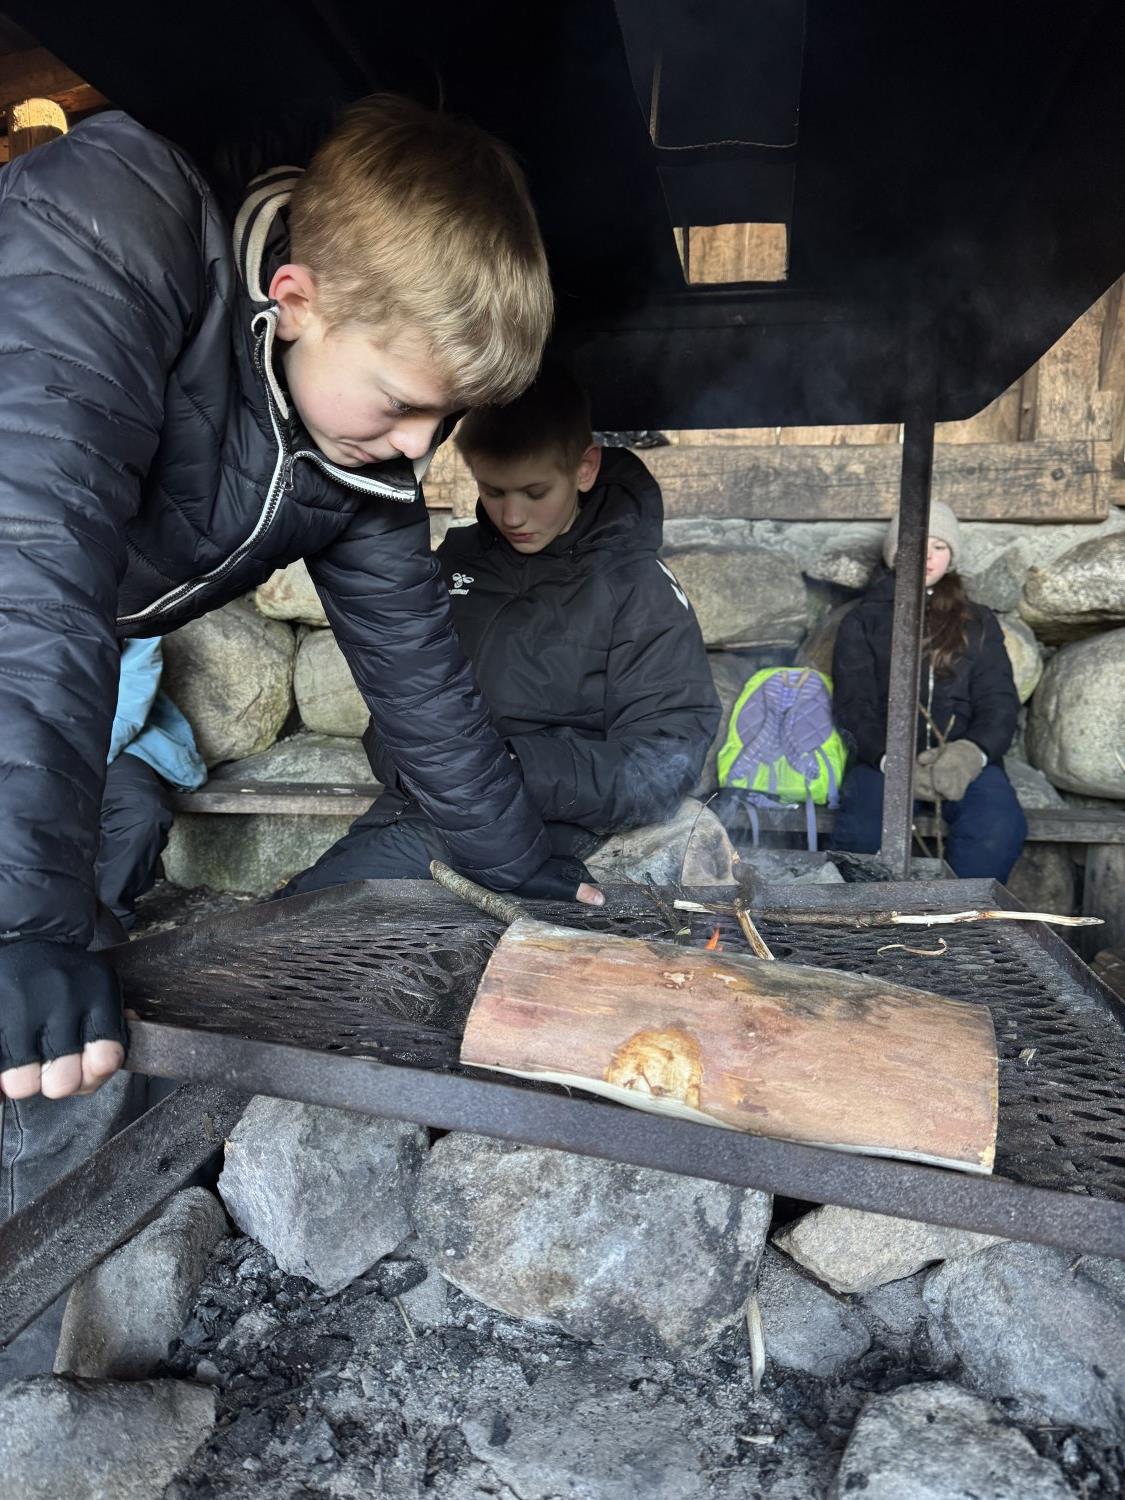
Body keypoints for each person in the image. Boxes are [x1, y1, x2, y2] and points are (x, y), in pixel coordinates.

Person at [0, 96, 593, 1374]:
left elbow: (422, 683)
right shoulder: (110, 226)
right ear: (296, 296)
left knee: (63, 1040)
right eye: (404, 405)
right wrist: (21, 918)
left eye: (442, 422)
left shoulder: (349, 446)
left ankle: (44, 1369)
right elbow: (29, 569)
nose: (420, 449)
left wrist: (526, 871)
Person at [281, 363, 721, 895]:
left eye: (535, 492)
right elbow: (398, 703)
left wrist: (508, 769)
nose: (512, 516)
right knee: (300, 910)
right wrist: (424, 768)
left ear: (584, 469)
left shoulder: (638, 588)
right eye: (493, 491)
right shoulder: (455, 562)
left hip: (553, 824)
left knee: (316, 911)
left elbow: (666, 759)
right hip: (422, 808)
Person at [830, 502, 1027, 880]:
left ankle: (960, 915)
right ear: (894, 554)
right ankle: (871, 916)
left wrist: (971, 754)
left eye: (938, 546)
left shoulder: (978, 621)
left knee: (997, 828)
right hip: (882, 763)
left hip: (961, 760)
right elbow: (852, 705)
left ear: (951, 556)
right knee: (862, 836)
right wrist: (889, 760)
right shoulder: (863, 619)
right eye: (915, 546)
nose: (927, 556)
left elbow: (999, 701)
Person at [99, 638, 207, 929]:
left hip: (111, 742)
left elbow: (127, 708)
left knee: (141, 811)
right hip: (22, 741)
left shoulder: (129, 622)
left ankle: (107, 922)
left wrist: (74, 760)